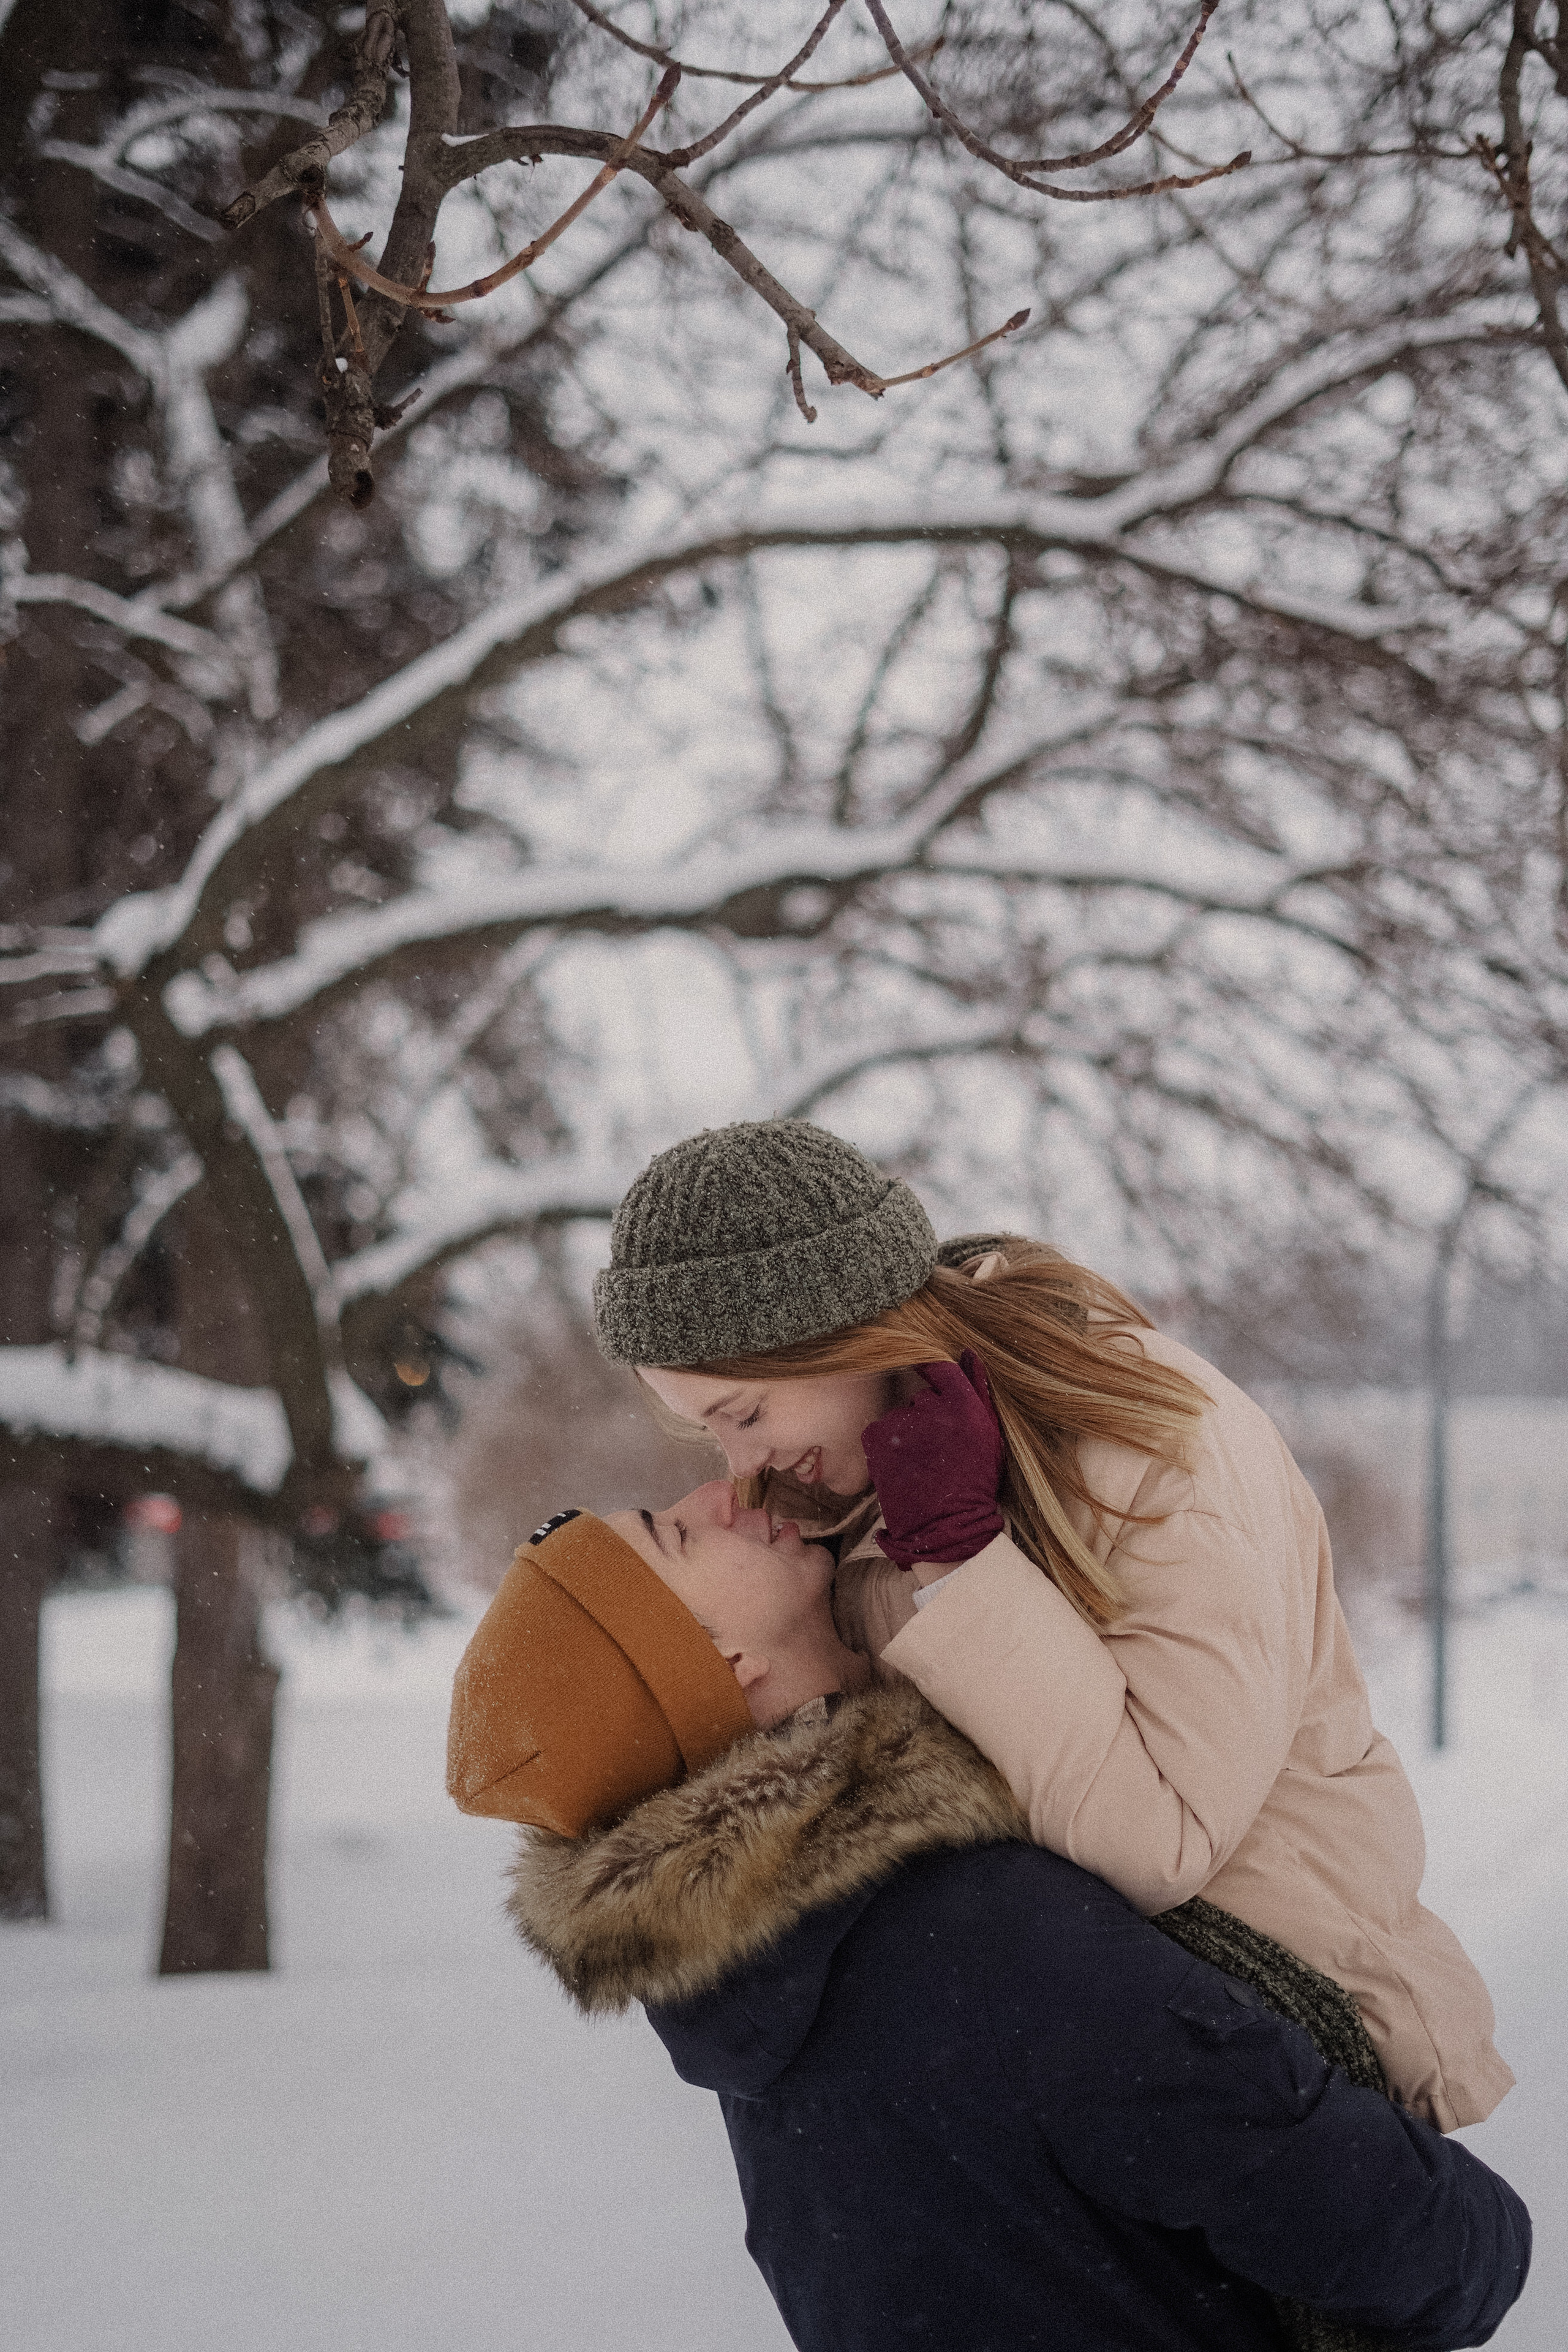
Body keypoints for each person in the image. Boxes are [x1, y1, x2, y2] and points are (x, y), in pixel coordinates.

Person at [590, 1118, 1512, 2132]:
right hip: (1107, 2062)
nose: (737, 1467)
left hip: (1296, 2059)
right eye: (706, 1427)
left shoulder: (1152, 1441)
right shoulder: (853, 1503)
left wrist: (960, 1560)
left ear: (841, 1332)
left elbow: (1160, 1844)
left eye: (746, 1414)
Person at [447, 1494, 1531, 2352]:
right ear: (723, 1666)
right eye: (677, 1535)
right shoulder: (989, 1939)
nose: (722, 1493)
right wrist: (1489, 2229)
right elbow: (1413, 2247)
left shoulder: (759, 1989)